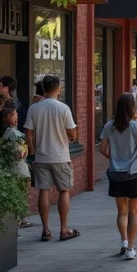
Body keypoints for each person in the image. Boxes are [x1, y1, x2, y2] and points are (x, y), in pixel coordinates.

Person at [24, 75, 81, 242]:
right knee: (64, 190)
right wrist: (69, 136)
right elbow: (72, 132)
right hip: (60, 156)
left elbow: (28, 131)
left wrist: (32, 150)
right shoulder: (63, 108)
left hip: (42, 156)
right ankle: (64, 229)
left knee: (44, 190)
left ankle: (46, 230)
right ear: (58, 88)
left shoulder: (34, 108)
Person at [99, 93, 137, 260]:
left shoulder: (108, 126)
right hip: (134, 173)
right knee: (134, 212)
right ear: (132, 108)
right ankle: (130, 249)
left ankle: (123, 241)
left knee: (122, 211)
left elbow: (102, 149)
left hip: (116, 173)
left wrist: (113, 159)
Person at [0, 107, 35, 230]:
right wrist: (26, 149)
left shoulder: (6, 132)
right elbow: (19, 154)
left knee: (18, 195)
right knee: (21, 195)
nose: (17, 117)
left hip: (11, 169)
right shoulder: (12, 133)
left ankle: (20, 220)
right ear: (8, 117)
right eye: (15, 115)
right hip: (18, 169)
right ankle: (20, 221)